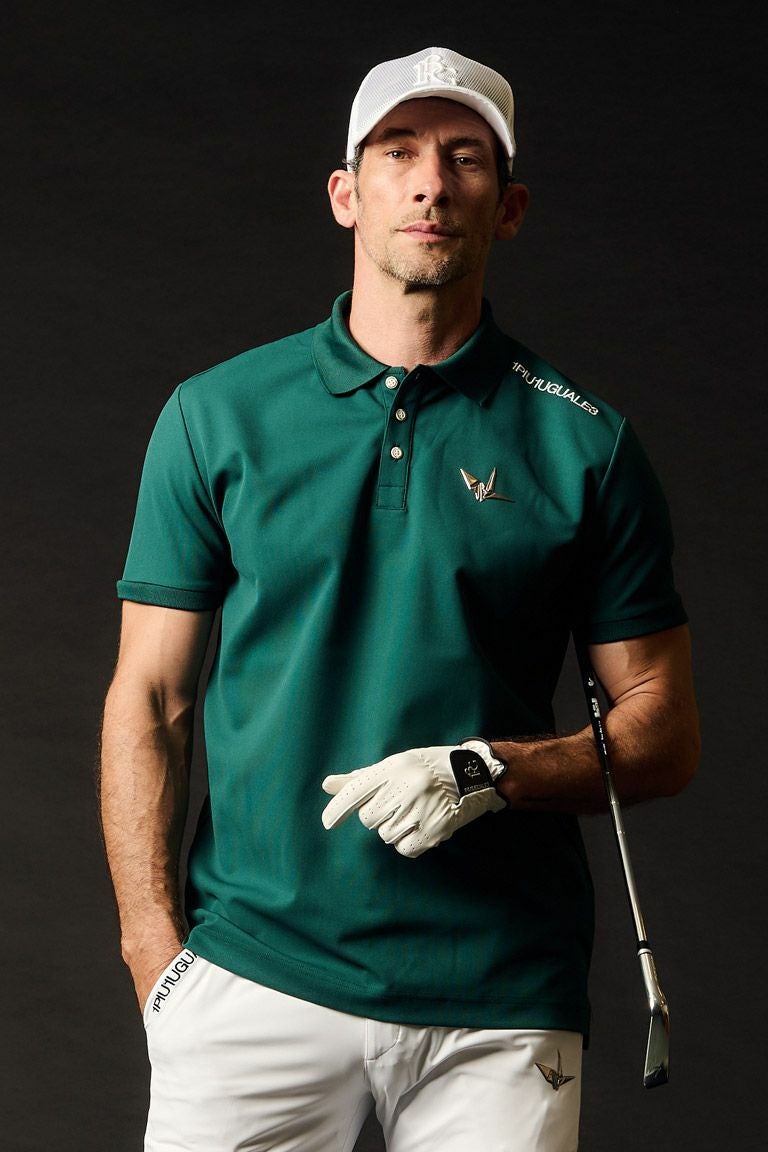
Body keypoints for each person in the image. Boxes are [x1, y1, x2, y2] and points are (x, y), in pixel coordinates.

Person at [99, 46, 699, 1152]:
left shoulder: (586, 445)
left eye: (465, 158)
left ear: (507, 207)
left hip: (499, 995)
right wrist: (153, 954)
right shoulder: (216, 414)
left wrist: (491, 768)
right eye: (399, 152)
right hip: (255, 976)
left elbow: (665, 730)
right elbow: (151, 699)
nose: (431, 182)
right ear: (347, 193)